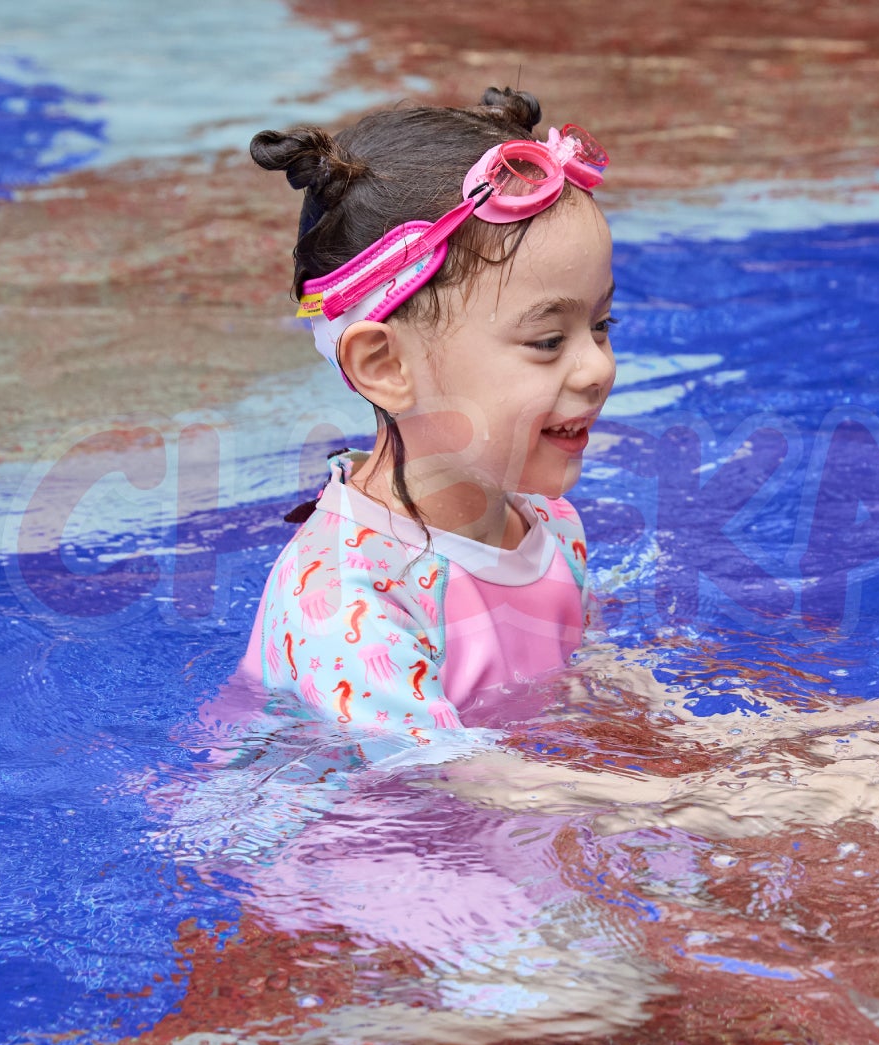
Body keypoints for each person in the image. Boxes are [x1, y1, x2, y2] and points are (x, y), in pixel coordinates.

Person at [233, 86, 616, 761]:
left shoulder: (551, 525)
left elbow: (588, 694)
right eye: (548, 341)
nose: (597, 369)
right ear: (385, 363)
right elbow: (450, 784)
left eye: (603, 325)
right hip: (345, 848)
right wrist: (702, 806)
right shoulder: (346, 600)